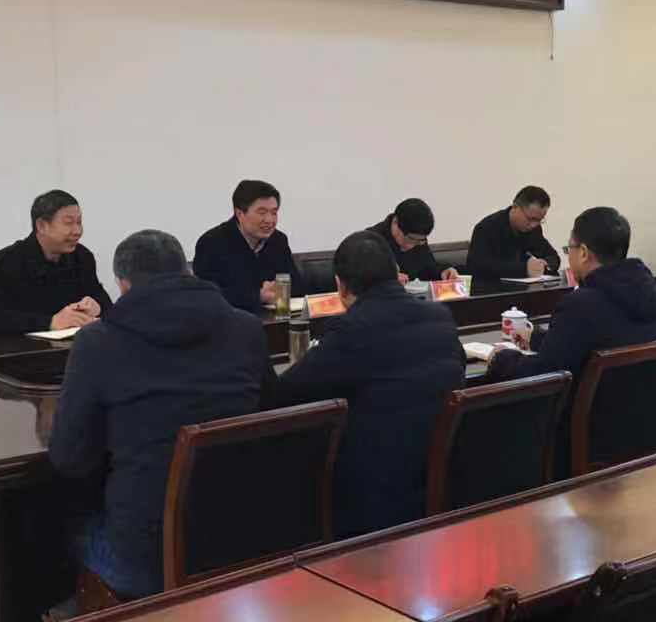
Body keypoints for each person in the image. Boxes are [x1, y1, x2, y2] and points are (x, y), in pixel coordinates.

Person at [50, 230, 269, 600]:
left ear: (123, 285)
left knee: (49, 522)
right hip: (242, 538)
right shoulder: (246, 329)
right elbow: (272, 414)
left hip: (145, 559)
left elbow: (69, 458)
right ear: (186, 271)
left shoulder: (98, 342)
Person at [271, 231, 465, 537]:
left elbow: (285, 393)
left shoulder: (352, 329)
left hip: (372, 493)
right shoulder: (440, 317)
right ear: (395, 272)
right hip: (437, 476)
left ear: (341, 286)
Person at [489, 206, 656, 382]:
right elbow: (583, 341)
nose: (569, 256)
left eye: (569, 249)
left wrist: (502, 358)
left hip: (591, 400)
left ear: (584, 253)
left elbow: (545, 373)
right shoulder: (648, 291)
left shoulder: (580, 305)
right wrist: (534, 339)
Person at [0, 190, 114, 334]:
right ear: (42, 225)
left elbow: (103, 300)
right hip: (23, 346)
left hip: (73, 343)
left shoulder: (82, 256)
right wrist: (50, 322)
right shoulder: (8, 260)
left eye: (79, 222)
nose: (77, 231)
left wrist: (97, 306)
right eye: (69, 223)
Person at [193, 180, 304, 314]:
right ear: (240, 213)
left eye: (274, 212)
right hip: (230, 321)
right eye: (262, 212)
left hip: (275, 320)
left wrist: (280, 289)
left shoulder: (278, 240)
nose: (269, 220)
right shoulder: (211, 243)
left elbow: (297, 285)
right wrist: (258, 296)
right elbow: (207, 295)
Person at [467, 186, 561, 285]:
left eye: (539, 220)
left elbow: (553, 257)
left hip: (522, 290)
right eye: (531, 219)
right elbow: (479, 267)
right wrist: (524, 269)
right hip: (490, 289)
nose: (534, 225)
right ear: (515, 207)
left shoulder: (534, 230)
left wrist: (544, 263)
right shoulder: (486, 228)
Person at [367, 198, 460, 283]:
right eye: (410, 239)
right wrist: (388, 279)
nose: (412, 246)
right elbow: (364, 281)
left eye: (420, 241)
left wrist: (443, 271)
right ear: (395, 222)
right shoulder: (369, 242)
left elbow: (428, 267)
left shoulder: (419, 239)